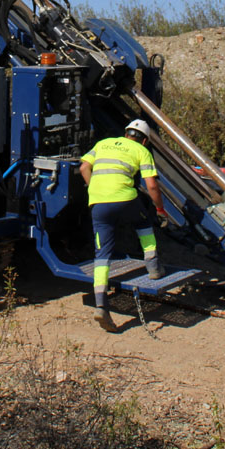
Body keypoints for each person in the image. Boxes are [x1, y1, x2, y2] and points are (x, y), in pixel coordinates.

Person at [79, 118, 168, 332]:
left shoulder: (103, 144)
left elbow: (83, 167)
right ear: (144, 141)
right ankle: (154, 267)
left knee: (102, 254)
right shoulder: (141, 151)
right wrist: (159, 209)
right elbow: (152, 186)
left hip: (98, 203)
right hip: (125, 200)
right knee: (143, 221)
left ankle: (101, 305)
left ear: (126, 133)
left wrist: (97, 189)